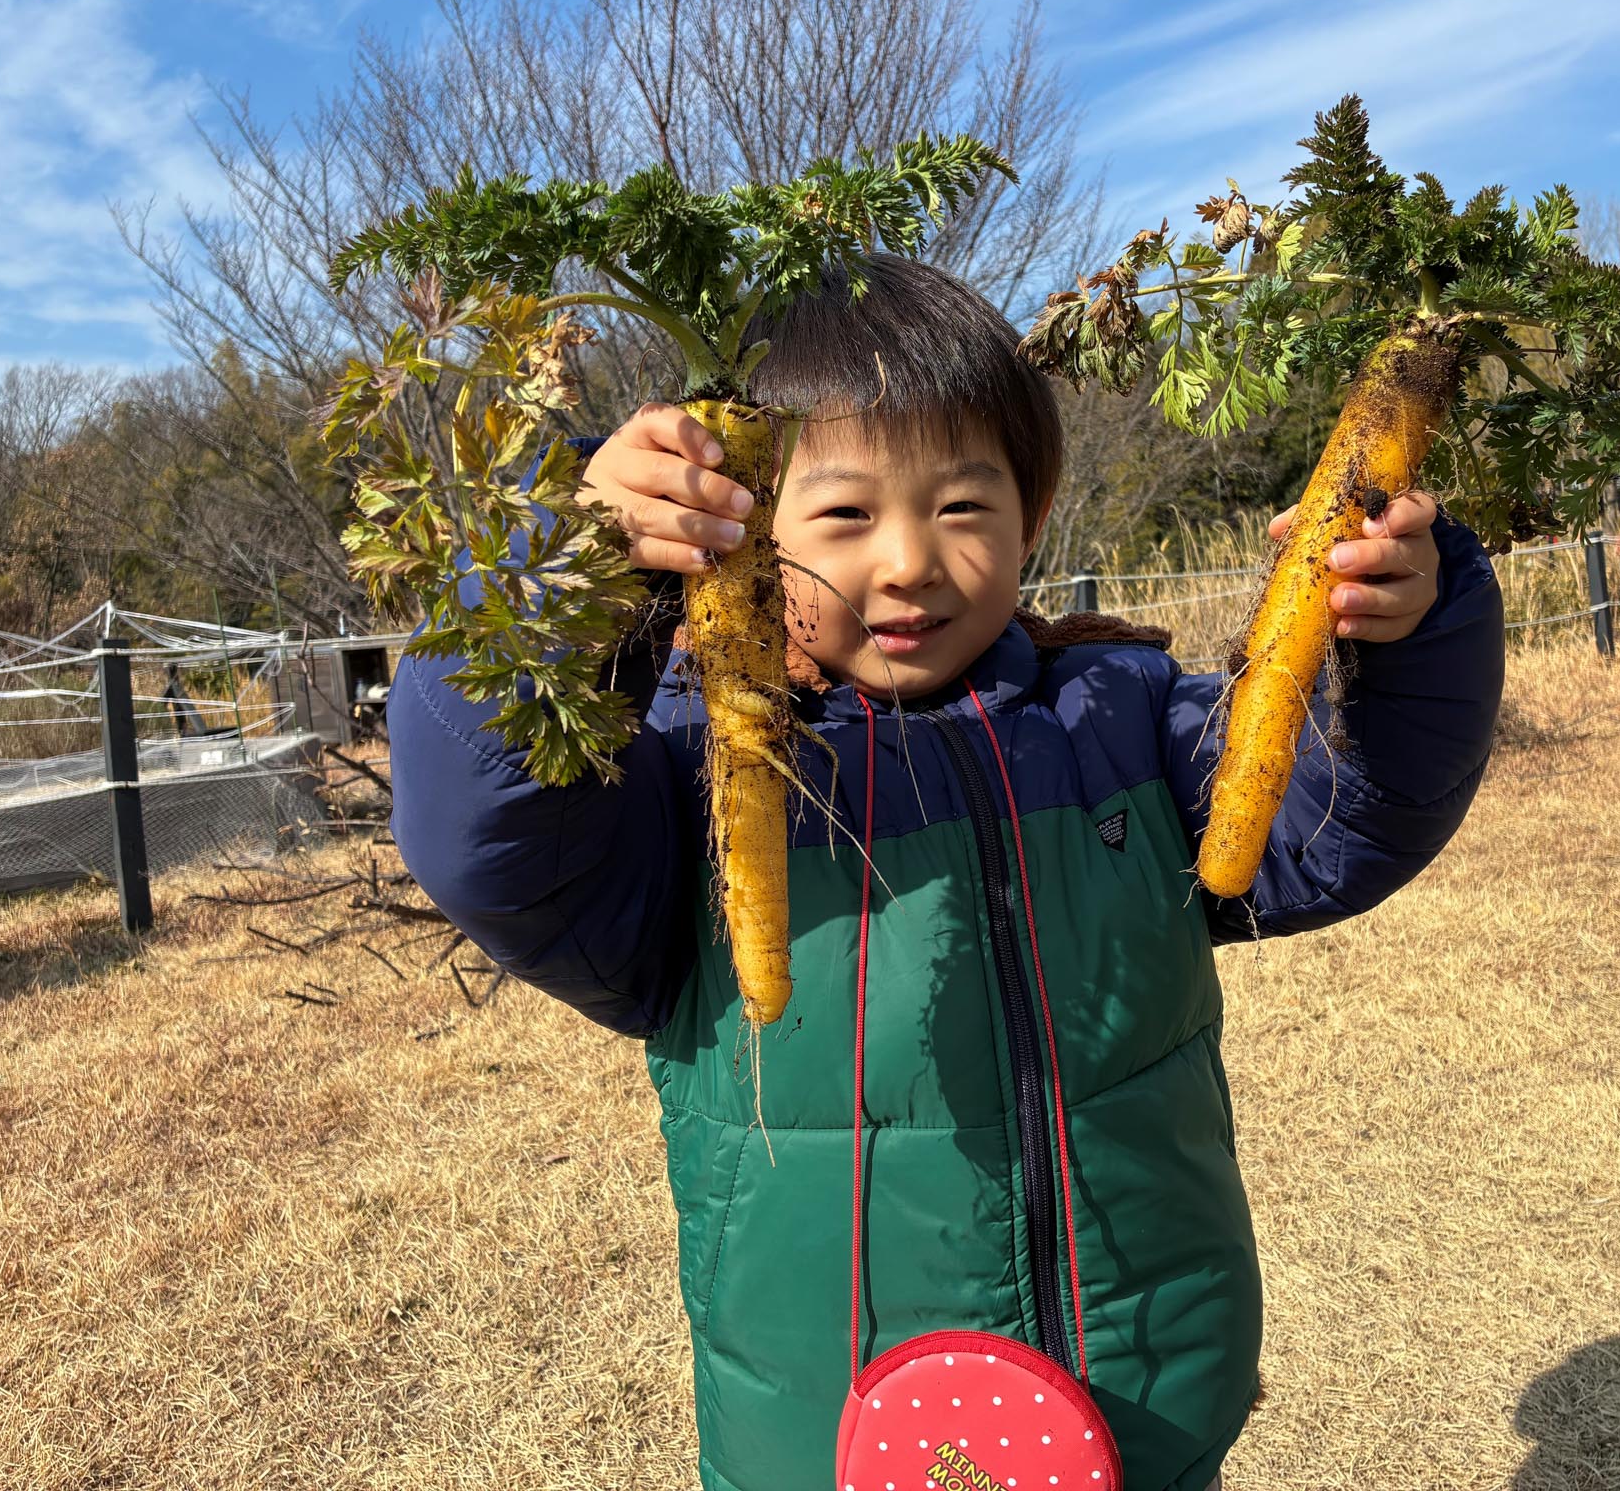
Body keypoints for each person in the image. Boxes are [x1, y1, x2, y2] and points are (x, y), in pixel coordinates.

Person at [388, 255, 1504, 1491]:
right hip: (824, 1436)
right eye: (844, 516)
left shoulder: (1121, 720)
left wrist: (1407, 634)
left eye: (963, 506)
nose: (909, 562)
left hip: (1144, 1395)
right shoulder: (686, 779)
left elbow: (1337, 827)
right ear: (733, 530)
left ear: (1032, 515)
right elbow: (487, 839)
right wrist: (564, 577)